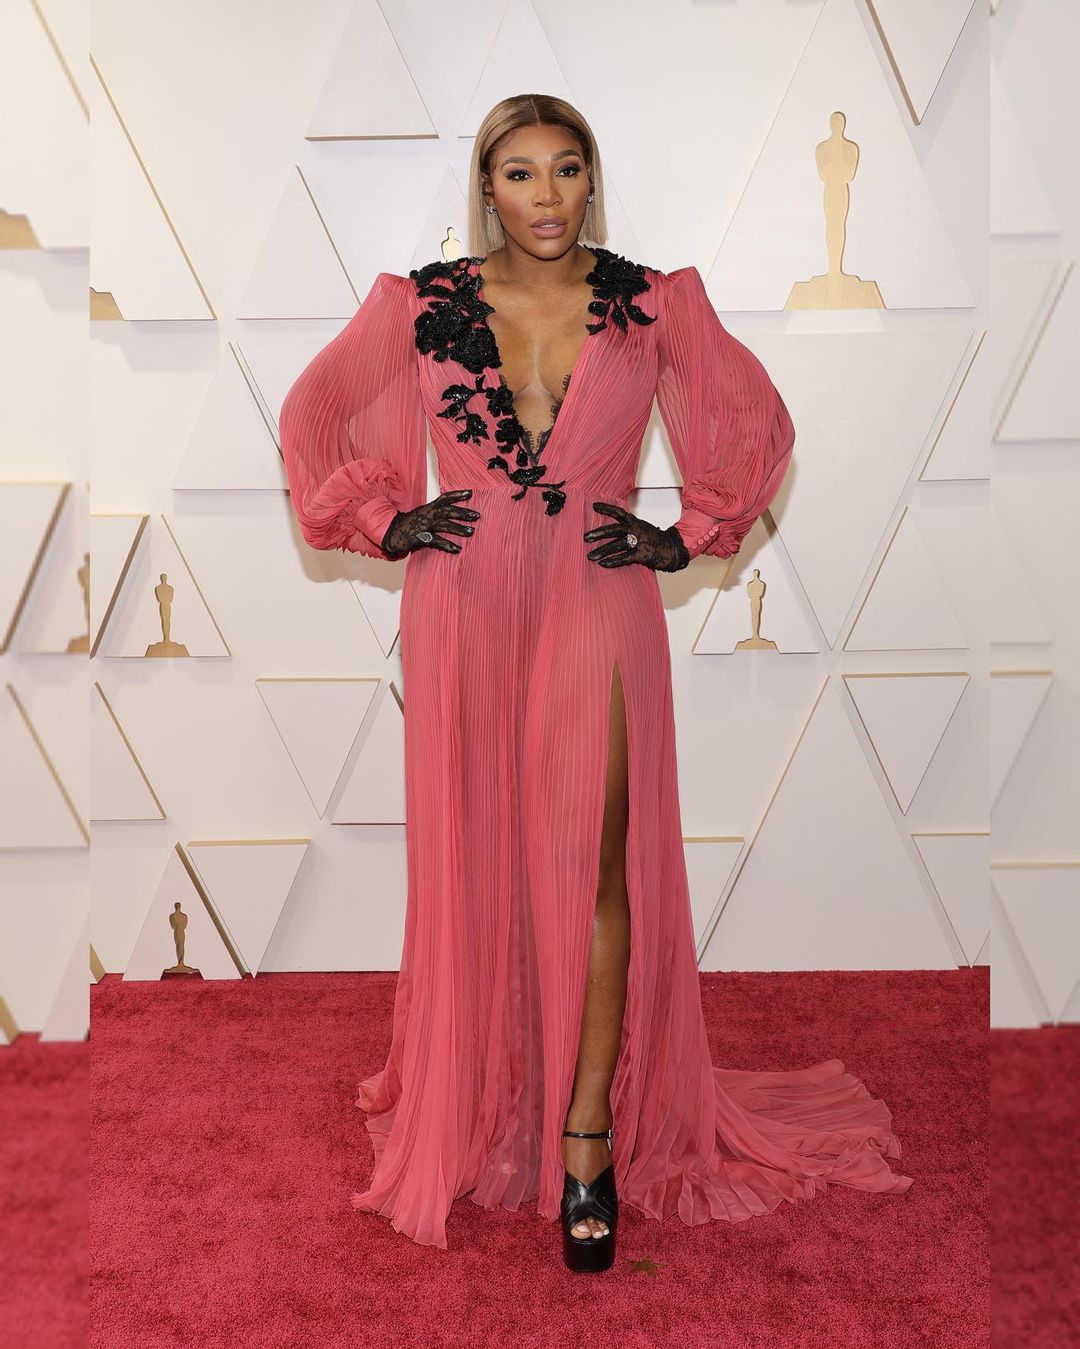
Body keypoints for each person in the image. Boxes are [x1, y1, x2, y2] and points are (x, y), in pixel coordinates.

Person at [279, 94, 913, 1269]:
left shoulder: (650, 303)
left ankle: (587, 1137)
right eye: (520, 173)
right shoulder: (421, 304)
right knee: (479, 854)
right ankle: (486, 1096)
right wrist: (387, 517)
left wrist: (686, 533)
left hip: (597, 599)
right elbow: (313, 413)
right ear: (487, 187)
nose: (547, 195)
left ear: (591, 178)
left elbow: (755, 422)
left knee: (599, 862)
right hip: (464, 606)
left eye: (567, 169)